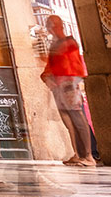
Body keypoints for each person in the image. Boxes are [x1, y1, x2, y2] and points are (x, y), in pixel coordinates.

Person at [40, 14, 96, 166]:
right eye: (49, 26)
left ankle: (89, 156)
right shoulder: (55, 45)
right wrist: (47, 77)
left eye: (51, 26)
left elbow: (73, 65)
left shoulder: (69, 43)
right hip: (58, 85)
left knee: (77, 117)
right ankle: (77, 153)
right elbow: (51, 64)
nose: (50, 29)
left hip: (69, 84)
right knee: (68, 120)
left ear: (58, 26)